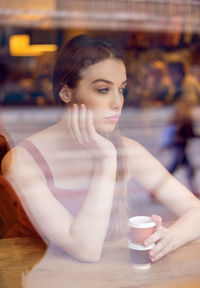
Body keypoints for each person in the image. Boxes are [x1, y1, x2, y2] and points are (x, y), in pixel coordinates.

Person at [2, 35, 200, 263]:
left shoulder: (127, 150)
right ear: (66, 92)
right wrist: (106, 160)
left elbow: (196, 211)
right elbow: (86, 250)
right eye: (103, 89)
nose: (118, 102)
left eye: (122, 89)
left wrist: (168, 238)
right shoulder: (23, 162)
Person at [160, 100, 199, 197]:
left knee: (189, 170)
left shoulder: (178, 119)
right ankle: (157, 190)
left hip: (179, 148)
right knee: (171, 171)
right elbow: (189, 134)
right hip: (180, 150)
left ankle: (194, 191)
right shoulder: (186, 120)